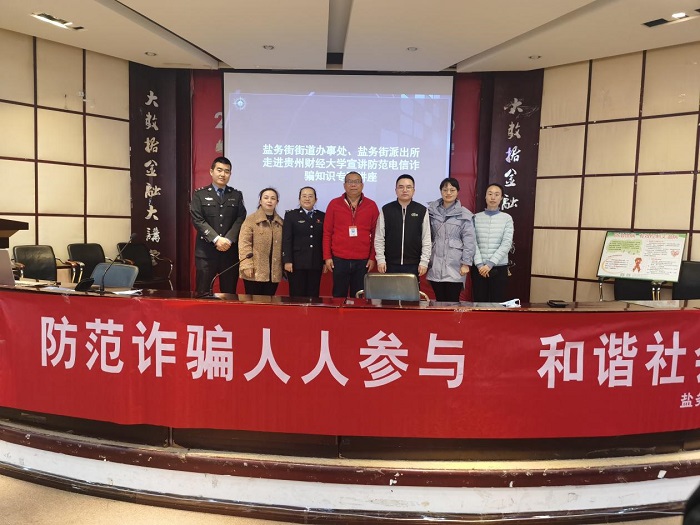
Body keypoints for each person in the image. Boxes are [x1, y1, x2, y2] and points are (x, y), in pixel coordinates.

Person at [190, 156, 246, 295]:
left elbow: (240, 218)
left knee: (229, 294)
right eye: (219, 170)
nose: (223, 174)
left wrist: (229, 239)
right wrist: (216, 239)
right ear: (211, 171)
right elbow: (197, 219)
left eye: (227, 171)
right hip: (206, 252)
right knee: (203, 292)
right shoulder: (199, 194)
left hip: (229, 251)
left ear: (230, 174)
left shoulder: (236, 195)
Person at [323, 171, 379, 297]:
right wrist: (327, 257)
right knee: (338, 295)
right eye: (350, 182)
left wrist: (372, 257)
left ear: (362, 185)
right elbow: (327, 233)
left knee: (359, 296)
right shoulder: (334, 204)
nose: (353, 185)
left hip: (362, 260)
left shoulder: (371, 205)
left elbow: (376, 234)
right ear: (344, 185)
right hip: (339, 259)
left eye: (357, 182)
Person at [427, 177, 476, 302]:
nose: (448, 193)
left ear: (458, 192)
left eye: (452, 190)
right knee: (439, 302)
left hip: (455, 267)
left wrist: (466, 263)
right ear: (441, 191)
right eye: (445, 190)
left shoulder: (465, 214)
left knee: (452, 302)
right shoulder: (431, 212)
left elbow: (469, 241)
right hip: (435, 266)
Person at [374, 174, 431, 277]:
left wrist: (424, 261)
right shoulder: (386, 209)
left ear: (413, 190)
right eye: (401, 187)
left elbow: (426, 238)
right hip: (389, 263)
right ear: (396, 190)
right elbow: (379, 237)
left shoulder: (421, 210)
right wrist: (381, 259)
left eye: (408, 187)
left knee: (411, 288)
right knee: (390, 288)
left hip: (414, 264)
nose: (405, 190)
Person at [472, 183, 514, 303]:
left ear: (501, 198)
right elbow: (472, 243)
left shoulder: (507, 218)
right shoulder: (475, 217)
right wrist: (480, 265)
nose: (493, 197)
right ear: (485, 196)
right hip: (479, 269)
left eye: (497, 194)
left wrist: (490, 264)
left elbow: (506, 243)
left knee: (498, 303)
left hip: (499, 267)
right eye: (490, 194)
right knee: (480, 303)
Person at [238, 188, 284, 296]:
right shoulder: (251, 220)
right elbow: (244, 243)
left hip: (273, 272)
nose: (269, 201)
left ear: (277, 202)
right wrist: (246, 265)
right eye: (266, 198)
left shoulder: (280, 222)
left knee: (269, 302)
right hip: (254, 271)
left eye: (273, 198)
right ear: (260, 201)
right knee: (253, 302)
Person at [282, 186, 325, 297]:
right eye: (304, 196)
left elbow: (324, 239)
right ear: (299, 199)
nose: (307, 199)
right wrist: (287, 260)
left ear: (316, 199)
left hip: (315, 262)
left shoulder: (322, 216)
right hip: (297, 263)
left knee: (313, 295)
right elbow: (287, 239)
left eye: (310, 196)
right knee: (297, 294)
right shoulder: (291, 215)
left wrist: (324, 261)